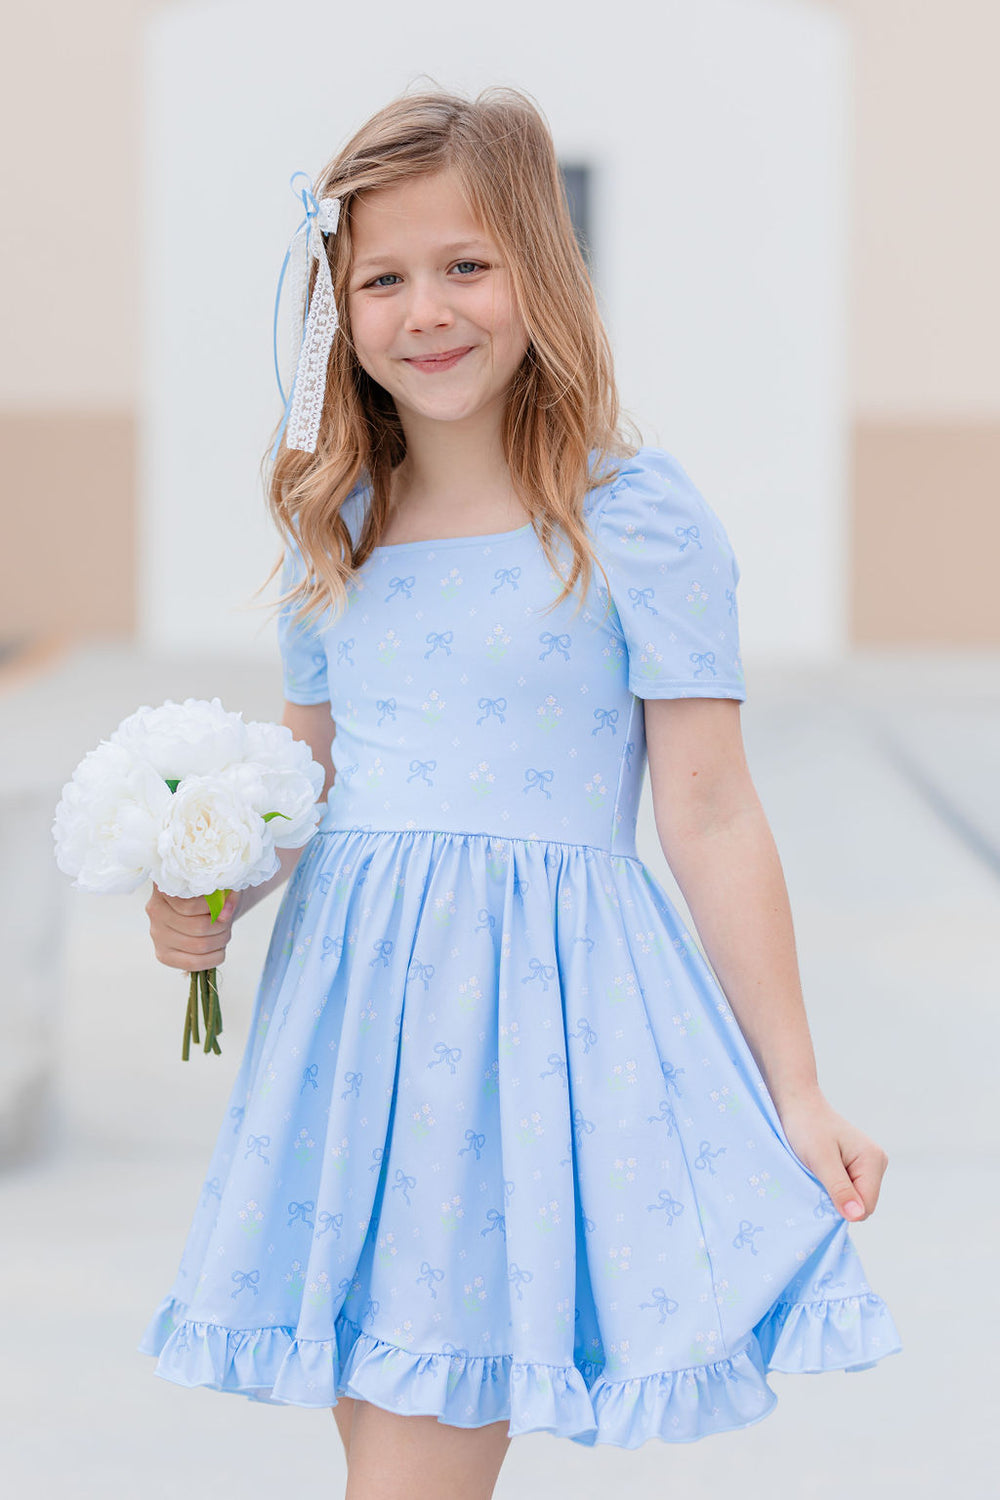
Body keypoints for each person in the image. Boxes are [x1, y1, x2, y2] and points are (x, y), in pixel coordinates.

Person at [141, 84, 901, 1500]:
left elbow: (711, 808)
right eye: (383, 277)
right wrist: (212, 893)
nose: (426, 309)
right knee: (385, 1433)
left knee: (414, 1465)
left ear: (540, 272)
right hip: (352, 1037)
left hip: (519, 1030)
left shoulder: (632, 516)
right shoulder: (335, 510)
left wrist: (793, 1086)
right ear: (339, 304)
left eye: (465, 265)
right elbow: (311, 777)